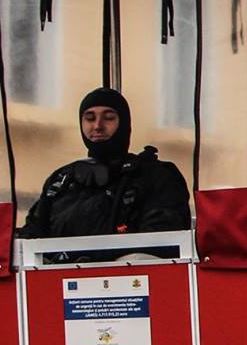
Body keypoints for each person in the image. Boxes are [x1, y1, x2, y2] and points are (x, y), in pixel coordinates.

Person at [18, 87, 192, 240]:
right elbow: (31, 236)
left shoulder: (155, 176)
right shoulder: (60, 181)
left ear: (124, 123)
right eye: (89, 118)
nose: (98, 126)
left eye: (108, 118)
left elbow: (163, 238)